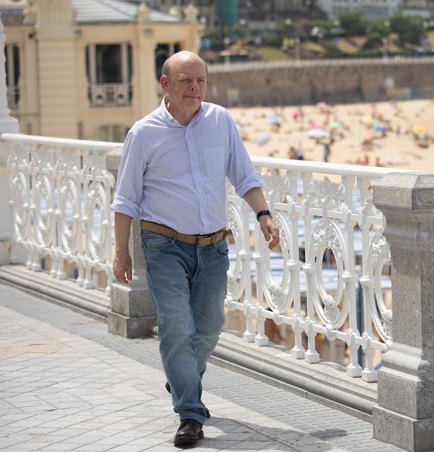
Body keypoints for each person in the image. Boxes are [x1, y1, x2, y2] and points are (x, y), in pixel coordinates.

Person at [111, 51, 280, 448]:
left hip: (213, 247)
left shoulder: (220, 121)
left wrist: (264, 214)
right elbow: (125, 199)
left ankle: (181, 374)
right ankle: (190, 413)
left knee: (208, 329)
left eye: (201, 81)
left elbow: (244, 173)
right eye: (187, 81)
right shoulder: (143, 133)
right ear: (165, 84)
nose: (196, 89)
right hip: (163, 245)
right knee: (176, 326)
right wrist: (121, 251)